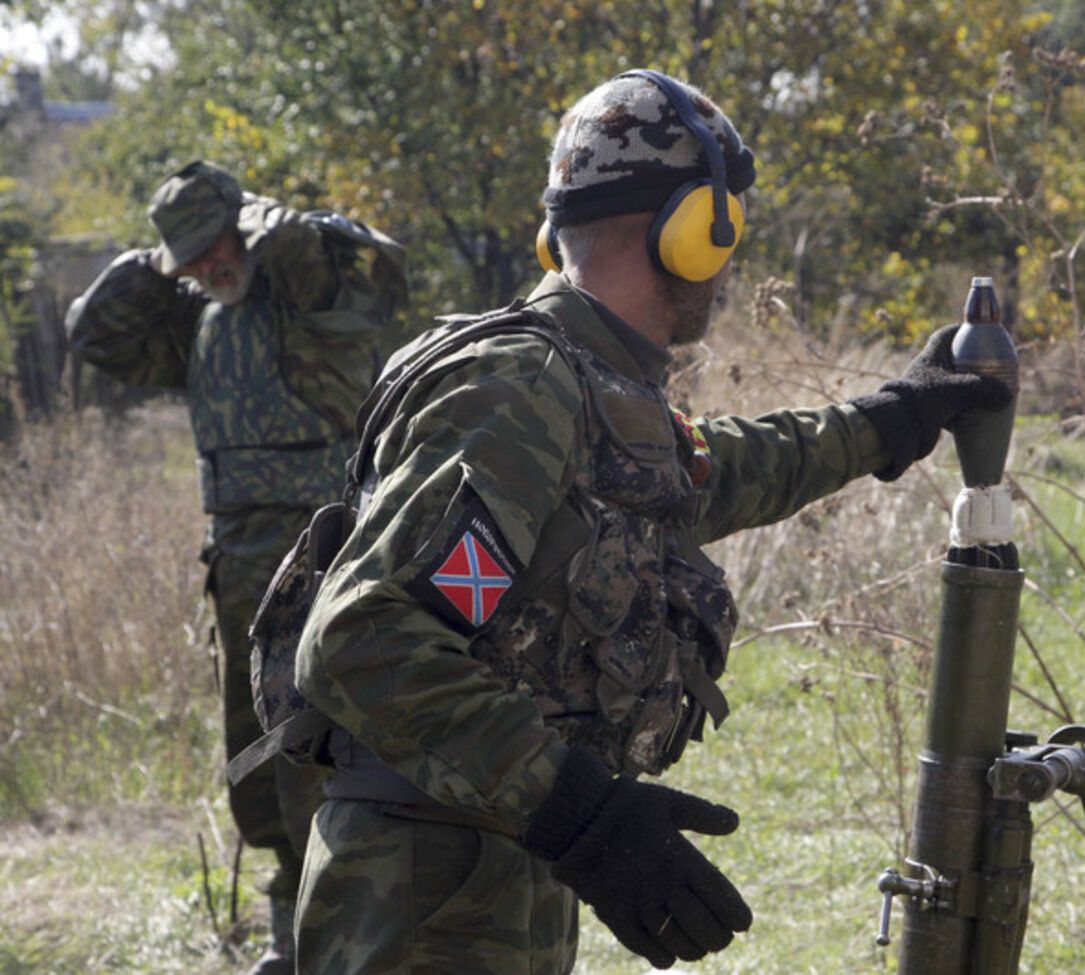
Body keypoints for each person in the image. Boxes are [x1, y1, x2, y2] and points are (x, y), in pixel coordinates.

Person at [292, 70, 1010, 974]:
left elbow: (713, 473)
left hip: (479, 870)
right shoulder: (519, 387)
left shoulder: (591, 388)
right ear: (695, 230)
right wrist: (581, 812)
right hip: (422, 899)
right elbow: (361, 636)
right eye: (730, 227)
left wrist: (892, 419)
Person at [65, 160, 408, 975]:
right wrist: (159, 260)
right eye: (187, 259)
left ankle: (353, 941)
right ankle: (296, 938)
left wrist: (249, 220)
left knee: (318, 745)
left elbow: (318, 248)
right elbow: (93, 332)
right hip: (239, 564)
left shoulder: (303, 280)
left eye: (212, 246)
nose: (205, 267)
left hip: (323, 548)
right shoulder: (199, 317)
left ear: (243, 224)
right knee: (256, 755)